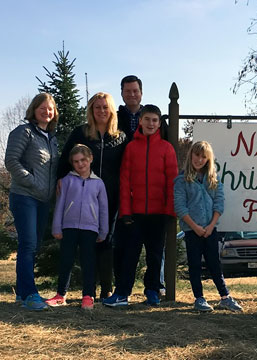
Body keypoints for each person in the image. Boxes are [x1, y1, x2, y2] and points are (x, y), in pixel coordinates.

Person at [103, 105, 177, 307]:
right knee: (130, 255)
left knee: (154, 256)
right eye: (147, 119)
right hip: (135, 213)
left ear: (159, 123)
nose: (151, 124)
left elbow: (172, 181)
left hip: (158, 213)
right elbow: (125, 181)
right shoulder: (131, 147)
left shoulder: (166, 148)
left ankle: (152, 290)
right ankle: (122, 292)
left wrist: (170, 210)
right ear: (141, 121)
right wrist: (125, 211)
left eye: (155, 120)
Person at [57, 92, 128, 300]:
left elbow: (127, 166)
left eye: (105, 107)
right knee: (84, 243)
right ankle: (85, 290)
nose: (101, 111)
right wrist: (61, 178)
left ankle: (106, 288)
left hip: (111, 196)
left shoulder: (120, 137)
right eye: (97, 107)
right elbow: (65, 159)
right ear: (91, 110)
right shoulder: (81, 133)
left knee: (105, 240)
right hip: (82, 197)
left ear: (112, 110)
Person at [174, 140, 242, 312]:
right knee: (195, 265)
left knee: (214, 264)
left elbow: (219, 203)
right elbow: (180, 207)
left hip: (210, 230)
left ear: (208, 159)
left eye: (204, 157)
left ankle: (225, 297)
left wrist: (211, 225)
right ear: (191, 155)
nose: (199, 159)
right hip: (191, 230)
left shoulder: (213, 180)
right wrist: (195, 227)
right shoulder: (182, 180)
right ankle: (199, 298)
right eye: (197, 155)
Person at [5, 93, 59, 310]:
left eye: (50, 108)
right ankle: (29, 294)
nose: (47, 112)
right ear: (34, 110)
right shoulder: (23, 132)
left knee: (34, 245)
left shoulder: (51, 138)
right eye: (42, 108)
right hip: (24, 196)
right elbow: (11, 160)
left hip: (43, 200)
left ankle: (22, 294)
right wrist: (31, 181)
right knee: (27, 244)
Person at [46, 145, 108, 310]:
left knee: (88, 262)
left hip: (90, 229)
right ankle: (61, 295)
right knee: (66, 260)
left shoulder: (99, 183)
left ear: (90, 159)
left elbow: (103, 208)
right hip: (69, 227)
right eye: (76, 161)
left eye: (83, 160)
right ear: (72, 163)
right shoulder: (66, 181)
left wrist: (104, 230)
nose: (80, 164)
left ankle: (88, 296)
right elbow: (60, 205)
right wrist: (56, 228)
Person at [117, 75, 143, 141]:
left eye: (135, 91)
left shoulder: (152, 119)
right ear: (122, 93)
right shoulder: (113, 119)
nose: (132, 94)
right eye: (128, 91)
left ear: (141, 93)